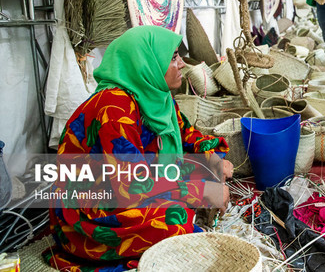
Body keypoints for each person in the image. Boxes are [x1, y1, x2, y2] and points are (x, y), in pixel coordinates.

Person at [46, 26, 233, 271]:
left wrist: (214, 159)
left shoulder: (157, 96)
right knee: (174, 221)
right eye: (173, 57)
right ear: (147, 63)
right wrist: (201, 191)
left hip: (132, 180)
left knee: (205, 169)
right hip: (91, 206)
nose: (182, 65)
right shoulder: (113, 108)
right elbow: (129, 186)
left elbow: (187, 135)